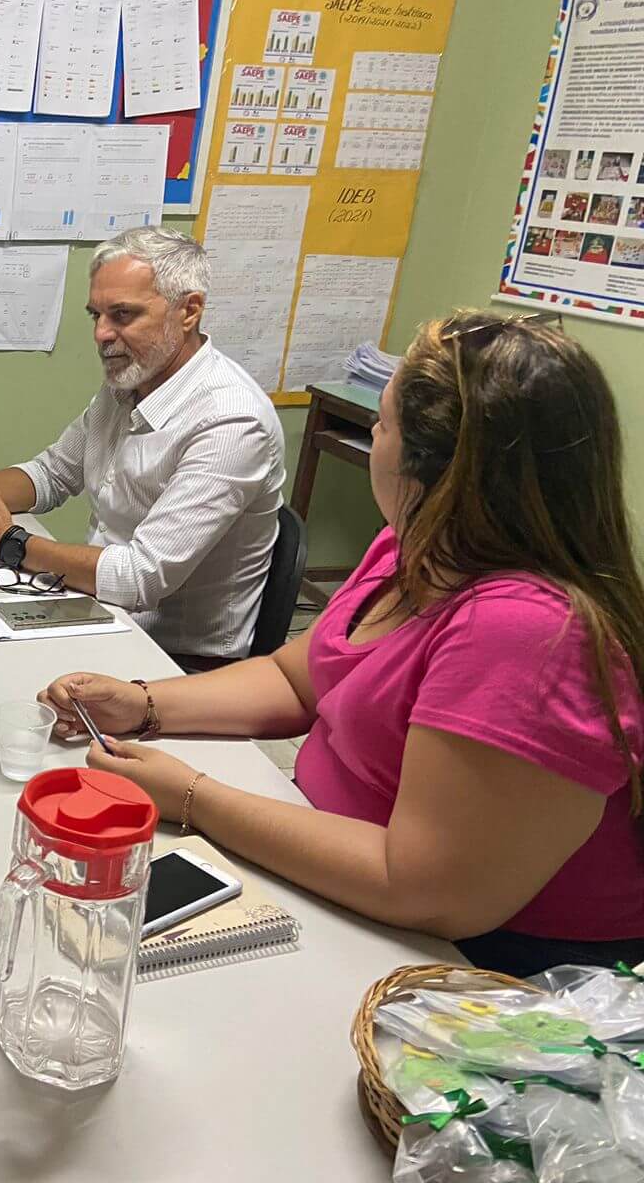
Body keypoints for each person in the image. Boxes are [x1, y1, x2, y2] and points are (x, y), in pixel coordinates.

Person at [40, 312, 644, 976]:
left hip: (489, 964)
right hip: (346, 875)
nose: (374, 437)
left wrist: (192, 798)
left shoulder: (525, 633)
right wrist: (144, 703)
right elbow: (299, 679)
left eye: (381, 424)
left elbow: (420, 887)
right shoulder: (416, 542)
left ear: (428, 467)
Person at [0, 226, 286, 670]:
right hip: (98, 611)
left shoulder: (231, 421)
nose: (102, 334)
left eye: (123, 315)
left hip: (172, 661)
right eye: (96, 315)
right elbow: (53, 472)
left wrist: (7, 540)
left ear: (189, 311)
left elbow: (140, 577)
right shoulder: (132, 380)